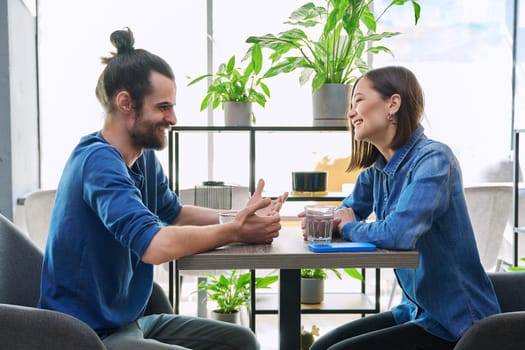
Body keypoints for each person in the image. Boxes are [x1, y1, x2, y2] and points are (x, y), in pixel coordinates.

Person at [38, 27, 287, 350]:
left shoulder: (143, 160)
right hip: (87, 335)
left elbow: (176, 214)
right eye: (163, 107)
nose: (172, 118)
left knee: (241, 340)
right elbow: (154, 245)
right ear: (126, 103)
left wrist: (241, 217)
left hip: (131, 320)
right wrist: (236, 231)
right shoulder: (97, 162)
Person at [304, 66, 501, 350]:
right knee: (322, 347)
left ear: (393, 104)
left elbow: (398, 234)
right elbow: (345, 213)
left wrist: (346, 226)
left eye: (358, 100)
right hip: (416, 312)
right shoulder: (377, 171)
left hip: (457, 325)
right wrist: (322, 222)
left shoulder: (433, 159)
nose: (350, 113)